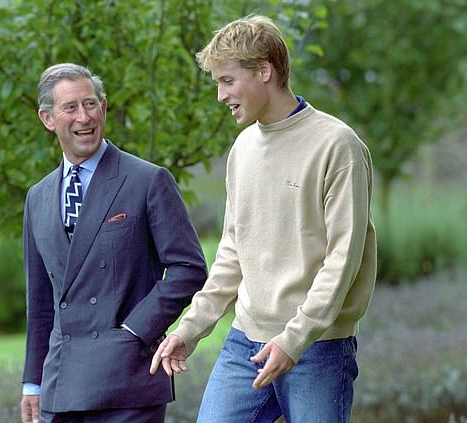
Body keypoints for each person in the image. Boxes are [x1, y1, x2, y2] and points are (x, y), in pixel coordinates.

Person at [150, 15, 377, 422]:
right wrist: (190, 328)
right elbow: (232, 253)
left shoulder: (337, 146)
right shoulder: (243, 149)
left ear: (264, 71)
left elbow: (343, 259)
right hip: (246, 342)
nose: (220, 95)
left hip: (317, 347)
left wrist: (294, 340)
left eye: (227, 81)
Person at [20, 63, 207, 423]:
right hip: (61, 386)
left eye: (91, 104)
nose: (84, 117)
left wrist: (136, 331)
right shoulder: (37, 197)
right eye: (70, 108)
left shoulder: (148, 180)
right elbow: (41, 299)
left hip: (128, 382)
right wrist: (32, 383)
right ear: (47, 118)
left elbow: (189, 268)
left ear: (104, 108)